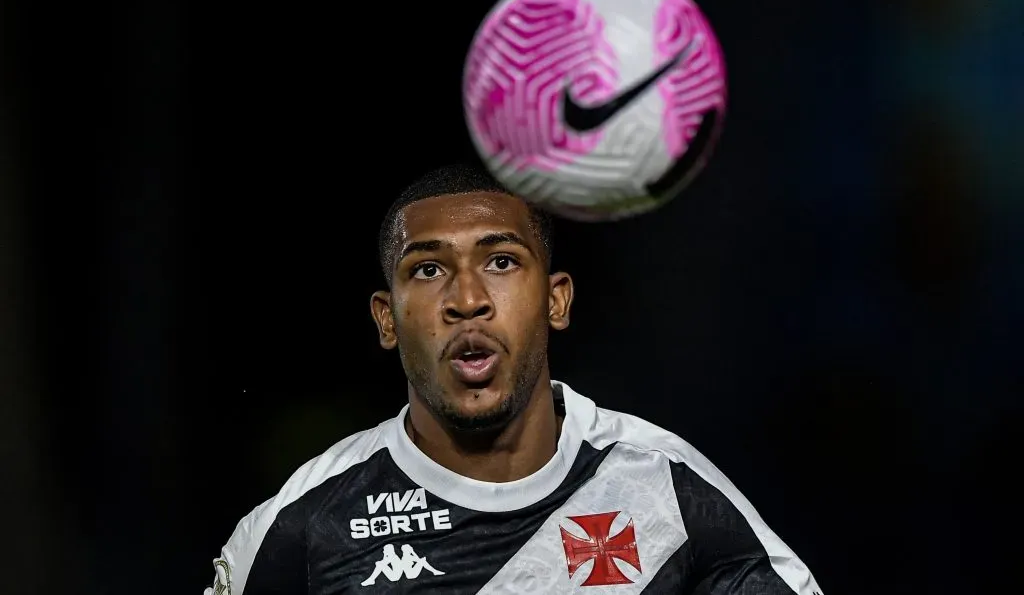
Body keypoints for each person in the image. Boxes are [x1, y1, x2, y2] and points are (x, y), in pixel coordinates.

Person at [203, 164, 824, 594]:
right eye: (427, 271)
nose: (467, 298)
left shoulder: (665, 487)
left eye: (501, 262)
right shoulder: (302, 528)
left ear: (556, 301)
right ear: (387, 319)